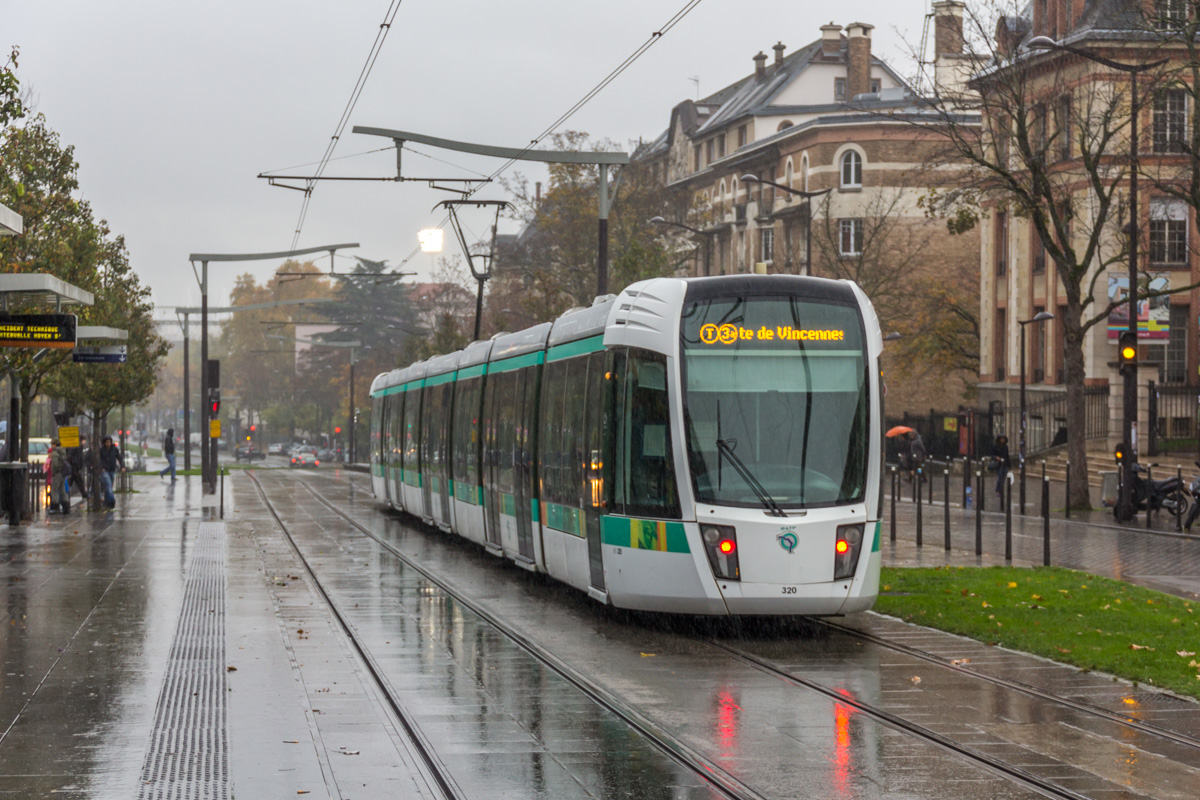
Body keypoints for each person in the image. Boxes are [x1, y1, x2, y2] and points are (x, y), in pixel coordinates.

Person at [97, 435, 124, 510]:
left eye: (109, 442)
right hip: (104, 470)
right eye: (106, 442)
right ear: (104, 443)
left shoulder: (114, 449)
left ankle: (106, 502)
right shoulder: (101, 450)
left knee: (109, 487)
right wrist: (101, 467)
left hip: (112, 470)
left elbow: (119, 458)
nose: (108, 443)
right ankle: (111, 501)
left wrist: (122, 466)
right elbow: (99, 459)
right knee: (108, 485)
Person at [48, 439, 70, 515]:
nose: (51, 446)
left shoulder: (54, 453)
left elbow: (55, 465)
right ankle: (66, 507)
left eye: (52, 444)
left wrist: (53, 472)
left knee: (54, 490)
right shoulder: (63, 451)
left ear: (55, 444)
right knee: (62, 489)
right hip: (63, 473)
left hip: (57, 473)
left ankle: (55, 507)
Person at [992, 434, 1011, 502]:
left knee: (1003, 477)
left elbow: (1007, 456)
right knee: (1000, 476)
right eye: (1001, 439)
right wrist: (996, 457)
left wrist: (1009, 466)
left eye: (1004, 439)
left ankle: (1001, 489)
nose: (1003, 440)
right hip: (998, 464)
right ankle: (998, 490)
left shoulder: (1005, 447)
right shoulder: (995, 447)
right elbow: (992, 454)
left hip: (1004, 464)